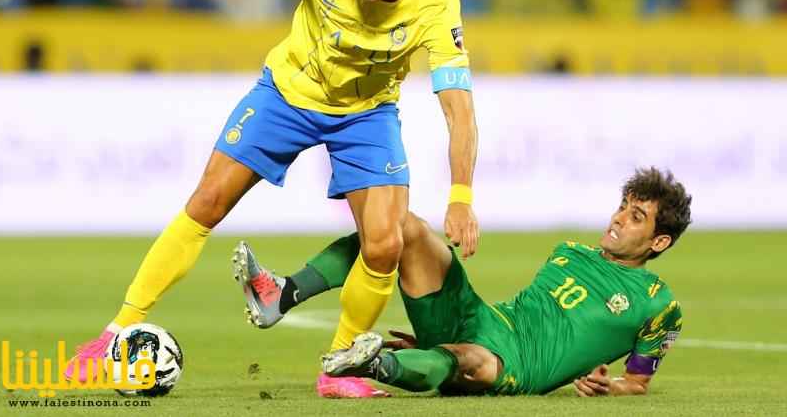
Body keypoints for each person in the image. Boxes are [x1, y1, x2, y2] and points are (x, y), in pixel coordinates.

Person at [66, 0, 479, 399]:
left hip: (367, 115)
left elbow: (459, 109)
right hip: (287, 95)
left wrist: (460, 195)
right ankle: (115, 331)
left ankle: (339, 369)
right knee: (207, 202)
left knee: (386, 243)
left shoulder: (437, 1)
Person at [239, 167, 691, 396]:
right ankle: (283, 293)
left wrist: (608, 385)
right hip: (480, 315)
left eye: (636, 217)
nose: (618, 219)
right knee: (401, 227)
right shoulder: (568, 251)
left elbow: (637, 382)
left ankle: (369, 366)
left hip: (516, 363)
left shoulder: (657, 304)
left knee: (465, 358)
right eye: (623, 207)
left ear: (659, 241)